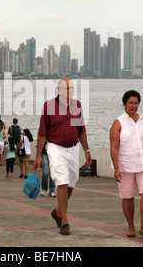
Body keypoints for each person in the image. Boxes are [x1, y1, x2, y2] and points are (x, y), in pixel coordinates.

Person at [33, 78, 92, 235]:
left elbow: (81, 131)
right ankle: (64, 221)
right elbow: (42, 133)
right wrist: (38, 156)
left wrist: (86, 150)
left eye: (71, 88)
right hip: (55, 147)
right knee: (62, 181)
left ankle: (58, 211)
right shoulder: (49, 106)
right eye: (66, 88)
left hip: (73, 148)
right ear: (59, 90)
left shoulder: (77, 105)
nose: (70, 90)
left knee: (72, 181)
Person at [110, 90, 143, 238]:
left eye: (136, 103)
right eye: (131, 102)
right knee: (128, 197)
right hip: (125, 165)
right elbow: (114, 146)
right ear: (124, 104)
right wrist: (116, 168)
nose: (134, 106)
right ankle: (131, 226)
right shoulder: (118, 122)